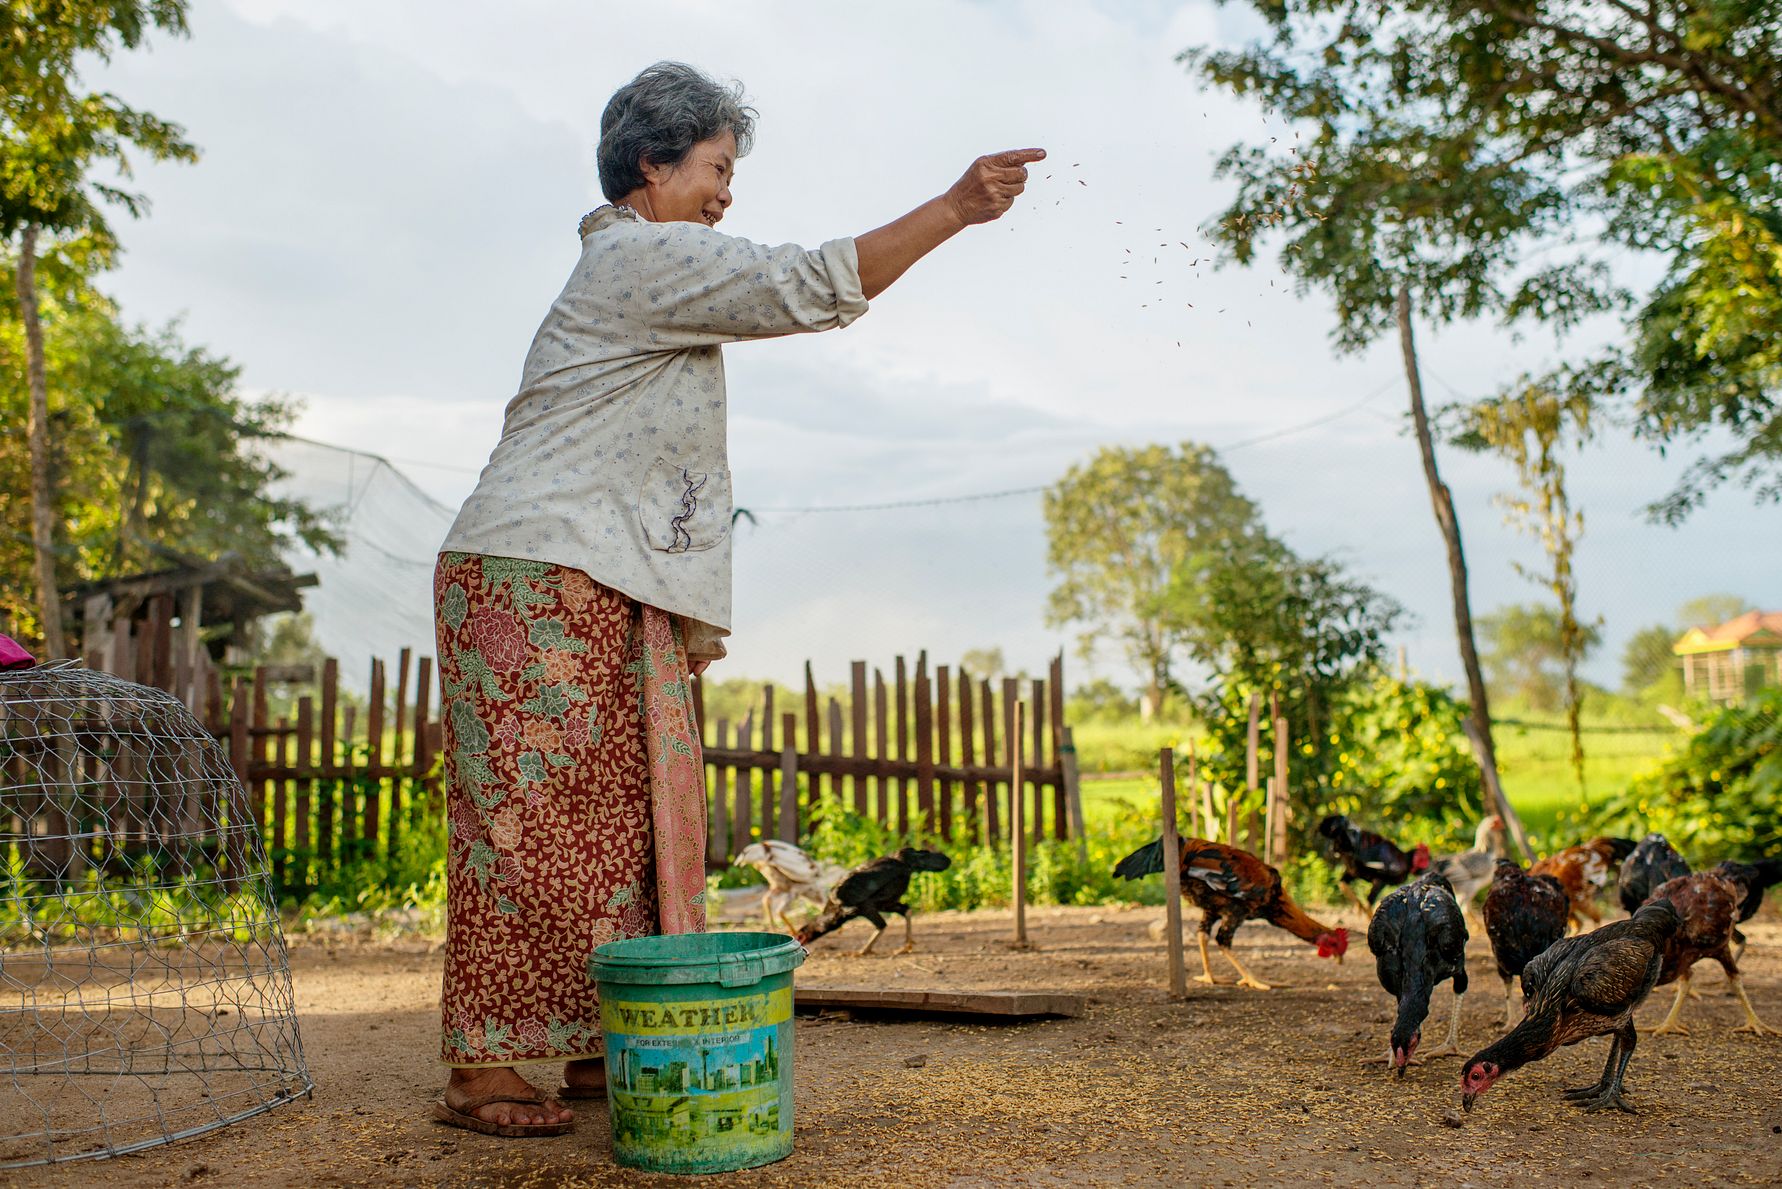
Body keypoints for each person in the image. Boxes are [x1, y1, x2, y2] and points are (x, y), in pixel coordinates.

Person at [430, 60, 1042, 1136]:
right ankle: (485, 1069)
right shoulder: (635, 257)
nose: (725, 193)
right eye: (715, 168)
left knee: (620, 828)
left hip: (590, 571)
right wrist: (954, 207)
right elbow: (805, 284)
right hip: (533, 571)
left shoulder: (652, 265)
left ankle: (583, 1042)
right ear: (650, 167)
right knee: (530, 823)